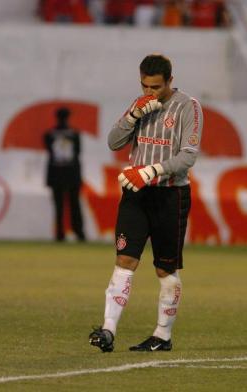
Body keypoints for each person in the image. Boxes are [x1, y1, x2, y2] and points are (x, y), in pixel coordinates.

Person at [89, 54, 203, 352]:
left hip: (171, 196)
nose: (149, 93)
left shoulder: (187, 107)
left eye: (155, 87)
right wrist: (131, 116)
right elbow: (114, 142)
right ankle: (108, 330)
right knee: (125, 260)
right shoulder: (139, 103)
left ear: (170, 81)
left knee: (165, 270)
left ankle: (162, 335)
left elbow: (188, 156)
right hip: (136, 195)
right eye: (144, 86)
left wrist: (150, 171)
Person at [43, 107, 86, 242]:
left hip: (56, 173)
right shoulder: (74, 134)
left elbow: (50, 152)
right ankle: (79, 233)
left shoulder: (49, 134)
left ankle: (60, 234)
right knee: (75, 205)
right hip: (72, 173)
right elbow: (78, 152)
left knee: (58, 205)